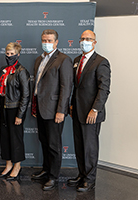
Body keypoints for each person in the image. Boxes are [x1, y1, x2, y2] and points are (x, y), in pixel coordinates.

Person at [67, 30, 111, 192]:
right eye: (83, 38)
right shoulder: (77, 60)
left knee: (90, 147)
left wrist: (95, 109)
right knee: (79, 145)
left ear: (94, 42)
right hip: (77, 111)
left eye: (88, 39)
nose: (84, 41)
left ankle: (90, 179)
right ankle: (82, 174)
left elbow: (104, 89)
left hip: (91, 113)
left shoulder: (101, 62)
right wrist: (71, 105)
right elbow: (75, 87)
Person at [31, 29, 73, 190]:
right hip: (40, 108)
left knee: (54, 145)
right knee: (44, 141)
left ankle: (54, 176)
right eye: (44, 40)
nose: (46, 43)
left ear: (56, 42)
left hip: (55, 110)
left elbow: (66, 87)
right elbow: (37, 85)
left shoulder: (64, 60)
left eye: (49, 40)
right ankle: (46, 170)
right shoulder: (38, 60)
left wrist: (61, 111)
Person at [0, 42, 30, 180]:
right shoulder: (3, 70)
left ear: (18, 54)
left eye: (12, 54)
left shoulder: (21, 71)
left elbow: (25, 95)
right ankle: (8, 164)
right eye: (7, 54)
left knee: (16, 138)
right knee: (5, 138)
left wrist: (20, 114)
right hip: (4, 107)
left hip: (15, 109)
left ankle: (17, 166)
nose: (9, 56)